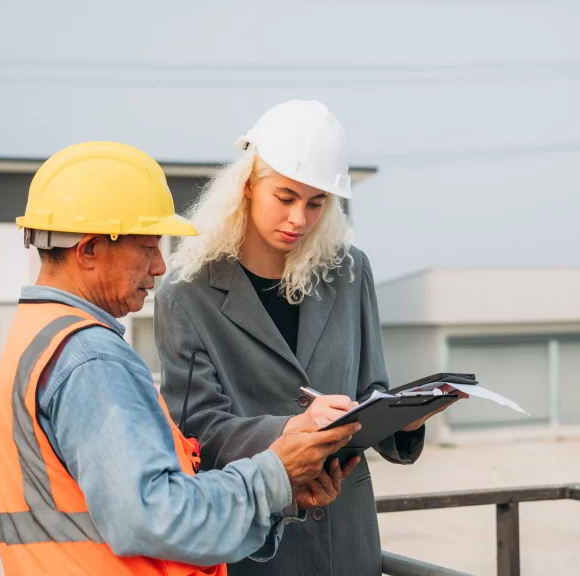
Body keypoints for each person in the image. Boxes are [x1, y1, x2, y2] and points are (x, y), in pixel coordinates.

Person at [0, 141, 361, 576]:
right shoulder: (89, 359)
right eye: (147, 247)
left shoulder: (38, 333)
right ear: (87, 250)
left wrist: (284, 494)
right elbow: (158, 517)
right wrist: (276, 473)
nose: (161, 266)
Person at [154, 100, 467, 575]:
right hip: (257, 547)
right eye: (285, 197)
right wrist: (290, 431)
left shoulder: (350, 271)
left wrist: (403, 418)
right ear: (246, 186)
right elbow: (196, 429)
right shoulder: (187, 293)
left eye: (316, 202)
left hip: (348, 538)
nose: (300, 218)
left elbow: (370, 390)